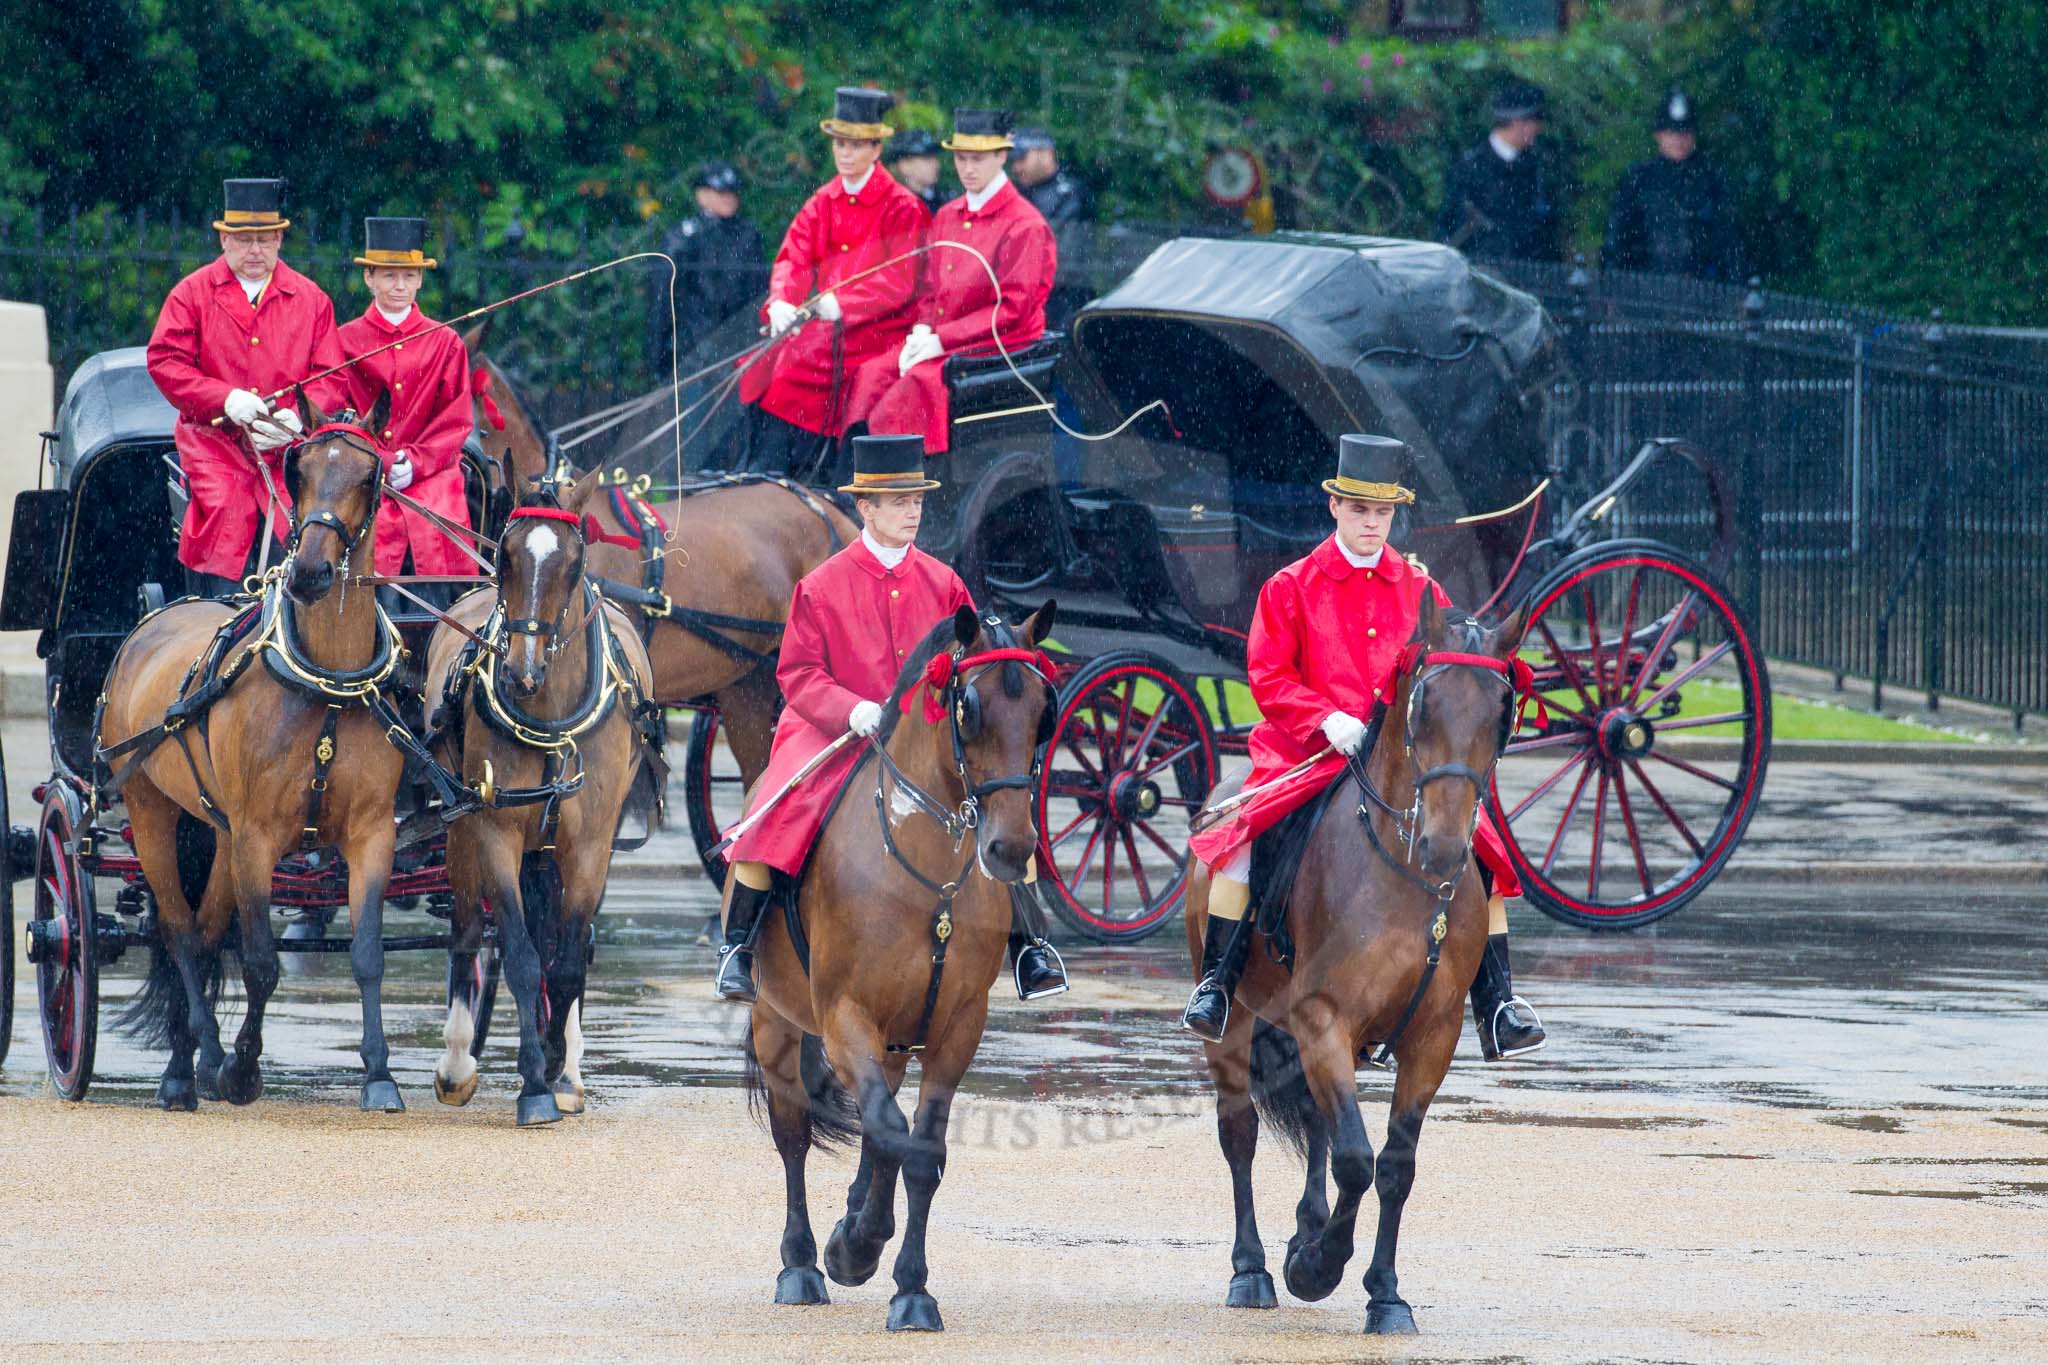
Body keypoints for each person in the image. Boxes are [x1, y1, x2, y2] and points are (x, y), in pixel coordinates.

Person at [1182, 434, 1545, 1060]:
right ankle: (1218, 981)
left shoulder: (1422, 592)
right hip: (1306, 751)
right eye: (1359, 510)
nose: (1372, 524)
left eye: (1382, 513)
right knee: (1243, 840)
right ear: (1336, 508)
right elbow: (1268, 677)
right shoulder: (1290, 587)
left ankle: (1498, 1001)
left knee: (1482, 851)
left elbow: (1447, 670)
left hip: (1398, 758)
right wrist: (1324, 720)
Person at [714, 433, 1066, 1004]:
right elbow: (798, 674)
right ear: (866, 508)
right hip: (835, 731)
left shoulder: (945, 584)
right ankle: (739, 946)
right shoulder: (820, 586)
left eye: (918, 500)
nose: (912, 511)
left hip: (922, 735)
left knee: (1003, 805)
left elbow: (965, 665)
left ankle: (1030, 944)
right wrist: (849, 708)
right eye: (898, 500)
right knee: (776, 805)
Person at [146, 178, 350, 597]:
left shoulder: (312, 299)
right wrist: (224, 398)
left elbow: (332, 377)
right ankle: (218, 612)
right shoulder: (192, 293)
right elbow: (165, 360)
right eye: (243, 240)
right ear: (223, 239)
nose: (254, 250)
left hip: (288, 450)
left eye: (264, 239)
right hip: (214, 444)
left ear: (279, 238)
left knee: (308, 519)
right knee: (225, 509)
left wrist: (298, 418)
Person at [736, 86, 928, 478]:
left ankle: (806, 470)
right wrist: (781, 302)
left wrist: (842, 304)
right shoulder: (823, 200)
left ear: (876, 149)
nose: (844, 153)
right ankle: (767, 467)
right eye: (839, 144)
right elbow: (794, 257)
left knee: (804, 363)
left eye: (854, 145)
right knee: (767, 359)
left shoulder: (903, 206)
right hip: (828, 325)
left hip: (881, 330)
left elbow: (900, 281)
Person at [842, 108, 1055, 457]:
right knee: (871, 373)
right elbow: (929, 288)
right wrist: (923, 330)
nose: (968, 169)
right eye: (961, 158)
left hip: (998, 343)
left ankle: (894, 480)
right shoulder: (947, 215)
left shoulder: (1025, 225)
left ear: (1002, 156)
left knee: (911, 387)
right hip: (943, 339)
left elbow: (1013, 310)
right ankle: (853, 475)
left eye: (978, 159)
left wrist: (943, 339)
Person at [335, 217, 476, 608]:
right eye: (390, 276)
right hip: (364, 475)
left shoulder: (445, 342)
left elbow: (456, 421)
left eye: (409, 276)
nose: (399, 286)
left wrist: (415, 463)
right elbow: (337, 413)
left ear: (420, 280)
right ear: (370, 279)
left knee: (434, 533)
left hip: (431, 478)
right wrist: (378, 459)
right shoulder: (345, 342)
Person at [1603, 88, 1742, 282]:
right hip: (1646, 290)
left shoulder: (1712, 180)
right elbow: (1617, 238)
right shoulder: (1638, 178)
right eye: (1672, 132)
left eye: (1685, 132)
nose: (1679, 139)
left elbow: (1729, 240)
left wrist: (1736, 287)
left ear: (1694, 135)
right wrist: (1612, 284)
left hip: (1701, 291)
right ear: (1658, 134)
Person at [647, 160, 769, 376]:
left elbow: (758, 292)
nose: (728, 198)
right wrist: (660, 353)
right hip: (693, 349)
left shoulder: (748, 234)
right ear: (701, 195)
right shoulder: (683, 238)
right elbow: (663, 299)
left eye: (732, 192)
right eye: (721, 192)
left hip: (740, 345)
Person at [1437, 81, 1560, 263]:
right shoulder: (1469, 167)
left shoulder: (1534, 167)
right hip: (1480, 271)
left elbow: (1541, 227)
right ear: (1519, 123)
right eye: (1535, 122)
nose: (1539, 129)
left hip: (1525, 272)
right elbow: (1450, 222)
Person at [1010, 128, 1094, 228]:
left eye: (1021, 158)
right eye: (1013, 160)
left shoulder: (1070, 194)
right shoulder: (1018, 192)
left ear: (1047, 155)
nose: (1015, 168)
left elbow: (1062, 239)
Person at [885, 127, 951, 217]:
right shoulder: (893, 207)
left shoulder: (945, 200)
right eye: (926, 159)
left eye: (934, 158)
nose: (935, 164)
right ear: (905, 166)